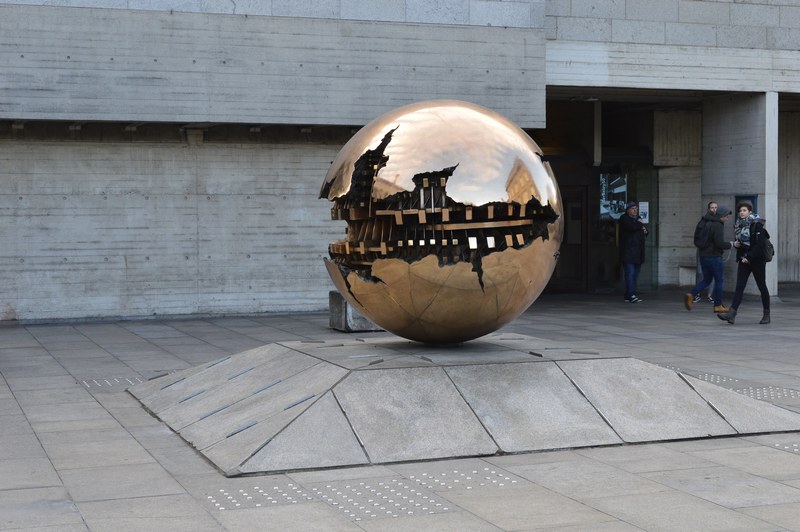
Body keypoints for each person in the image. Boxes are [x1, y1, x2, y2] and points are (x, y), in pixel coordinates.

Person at [718, 202, 771, 324]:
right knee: (739, 287)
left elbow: (759, 245)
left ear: (750, 212)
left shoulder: (757, 225)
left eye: (744, 210)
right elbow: (742, 244)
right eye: (740, 210)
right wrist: (737, 246)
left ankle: (766, 314)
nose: (742, 212)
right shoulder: (738, 226)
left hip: (757, 260)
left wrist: (749, 256)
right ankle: (731, 314)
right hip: (743, 260)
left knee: (762, 286)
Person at [685, 205, 733, 313]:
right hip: (714, 257)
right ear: (722, 216)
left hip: (703, 256)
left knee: (707, 279)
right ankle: (718, 305)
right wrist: (730, 244)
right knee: (719, 280)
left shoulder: (705, 221)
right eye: (726, 216)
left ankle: (691, 295)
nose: (727, 218)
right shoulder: (718, 225)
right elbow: (719, 243)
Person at [618, 200, 648, 303]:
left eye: (636, 209)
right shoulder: (624, 219)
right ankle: (631, 295)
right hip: (628, 252)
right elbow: (632, 228)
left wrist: (645, 231)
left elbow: (642, 232)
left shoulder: (638, 220)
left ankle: (629, 294)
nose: (635, 210)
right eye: (633, 209)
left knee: (635, 274)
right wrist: (640, 224)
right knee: (630, 274)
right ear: (628, 210)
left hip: (638, 253)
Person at [694, 201, 718, 303]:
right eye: (712, 207)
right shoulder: (703, 221)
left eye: (716, 207)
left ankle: (709, 295)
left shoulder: (718, 222)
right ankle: (697, 294)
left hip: (713, 251)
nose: (714, 209)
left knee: (712, 273)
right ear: (708, 209)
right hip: (703, 250)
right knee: (700, 273)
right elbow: (697, 236)